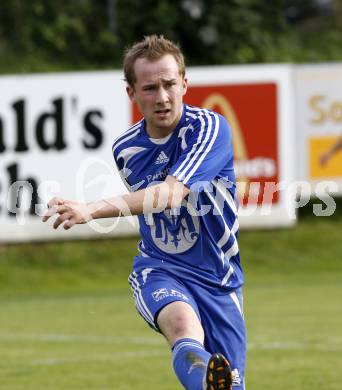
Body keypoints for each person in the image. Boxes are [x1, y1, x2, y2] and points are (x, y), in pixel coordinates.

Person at [43, 35, 246, 390]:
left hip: (219, 279)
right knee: (183, 327)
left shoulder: (209, 129)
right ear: (131, 93)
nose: (163, 97)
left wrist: (91, 209)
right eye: (150, 88)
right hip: (160, 267)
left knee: (232, 381)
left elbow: (169, 194)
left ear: (185, 83)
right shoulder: (126, 148)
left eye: (170, 84)